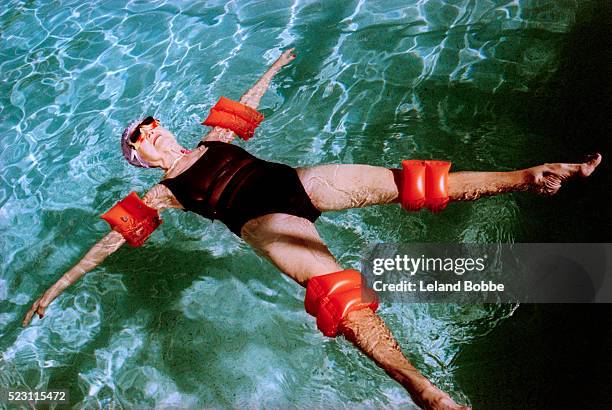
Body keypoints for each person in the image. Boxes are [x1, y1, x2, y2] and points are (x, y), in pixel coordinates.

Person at [22, 48, 602, 410]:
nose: (152, 133)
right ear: (141, 160)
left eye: (151, 125)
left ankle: (525, 177)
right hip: (263, 221)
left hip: (301, 182)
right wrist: (54, 288)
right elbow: (105, 246)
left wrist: (272, 67)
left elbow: (247, 101)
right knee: (341, 298)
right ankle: (421, 388)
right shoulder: (160, 193)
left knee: (411, 182)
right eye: (140, 138)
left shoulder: (214, 139)